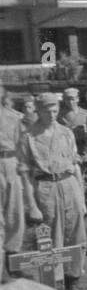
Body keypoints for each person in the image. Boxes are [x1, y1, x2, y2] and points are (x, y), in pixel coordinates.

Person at [16, 93, 87, 290]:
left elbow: (75, 167)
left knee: (77, 237)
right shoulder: (28, 137)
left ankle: (73, 288)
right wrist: (32, 206)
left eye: (55, 110)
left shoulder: (66, 133)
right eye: (47, 110)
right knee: (50, 240)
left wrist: (81, 198)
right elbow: (26, 175)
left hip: (69, 185)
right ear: (37, 111)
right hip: (45, 188)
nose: (52, 114)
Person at [0, 82, 25, 277]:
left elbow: (21, 144)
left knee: (14, 211)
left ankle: (12, 258)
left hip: (10, 162)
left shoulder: (14, 117)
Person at [57, 88, 87, 154]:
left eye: (72, 99)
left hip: (82, 147)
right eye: (67, 99)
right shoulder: (59, 116)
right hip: (65, 148)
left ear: (77, 99)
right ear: (64, 100)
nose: (70, 102)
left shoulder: (86, 114)